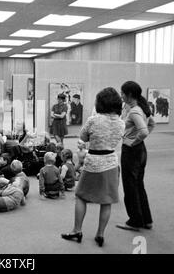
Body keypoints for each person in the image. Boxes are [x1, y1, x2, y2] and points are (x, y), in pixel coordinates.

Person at [61, 87, 125, 248]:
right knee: (107, 201)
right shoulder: (121, 123)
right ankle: (100, 234)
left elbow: (82, 137)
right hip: (111, 162)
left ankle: (77, 230)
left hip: (93, 161)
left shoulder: (93, 120)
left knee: (81, 196)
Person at [117, 81, 156, 232]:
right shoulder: (141, 108)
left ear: (129, 94)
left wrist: (132, 142)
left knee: (130, 186)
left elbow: (144, 131)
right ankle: (146, 220)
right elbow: (152, 124)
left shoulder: (134, 111)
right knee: (138, 184)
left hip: (132, 151)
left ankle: (135, 221)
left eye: (122, 93)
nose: (121, 95)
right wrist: (139, 141)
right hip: (141, 151)